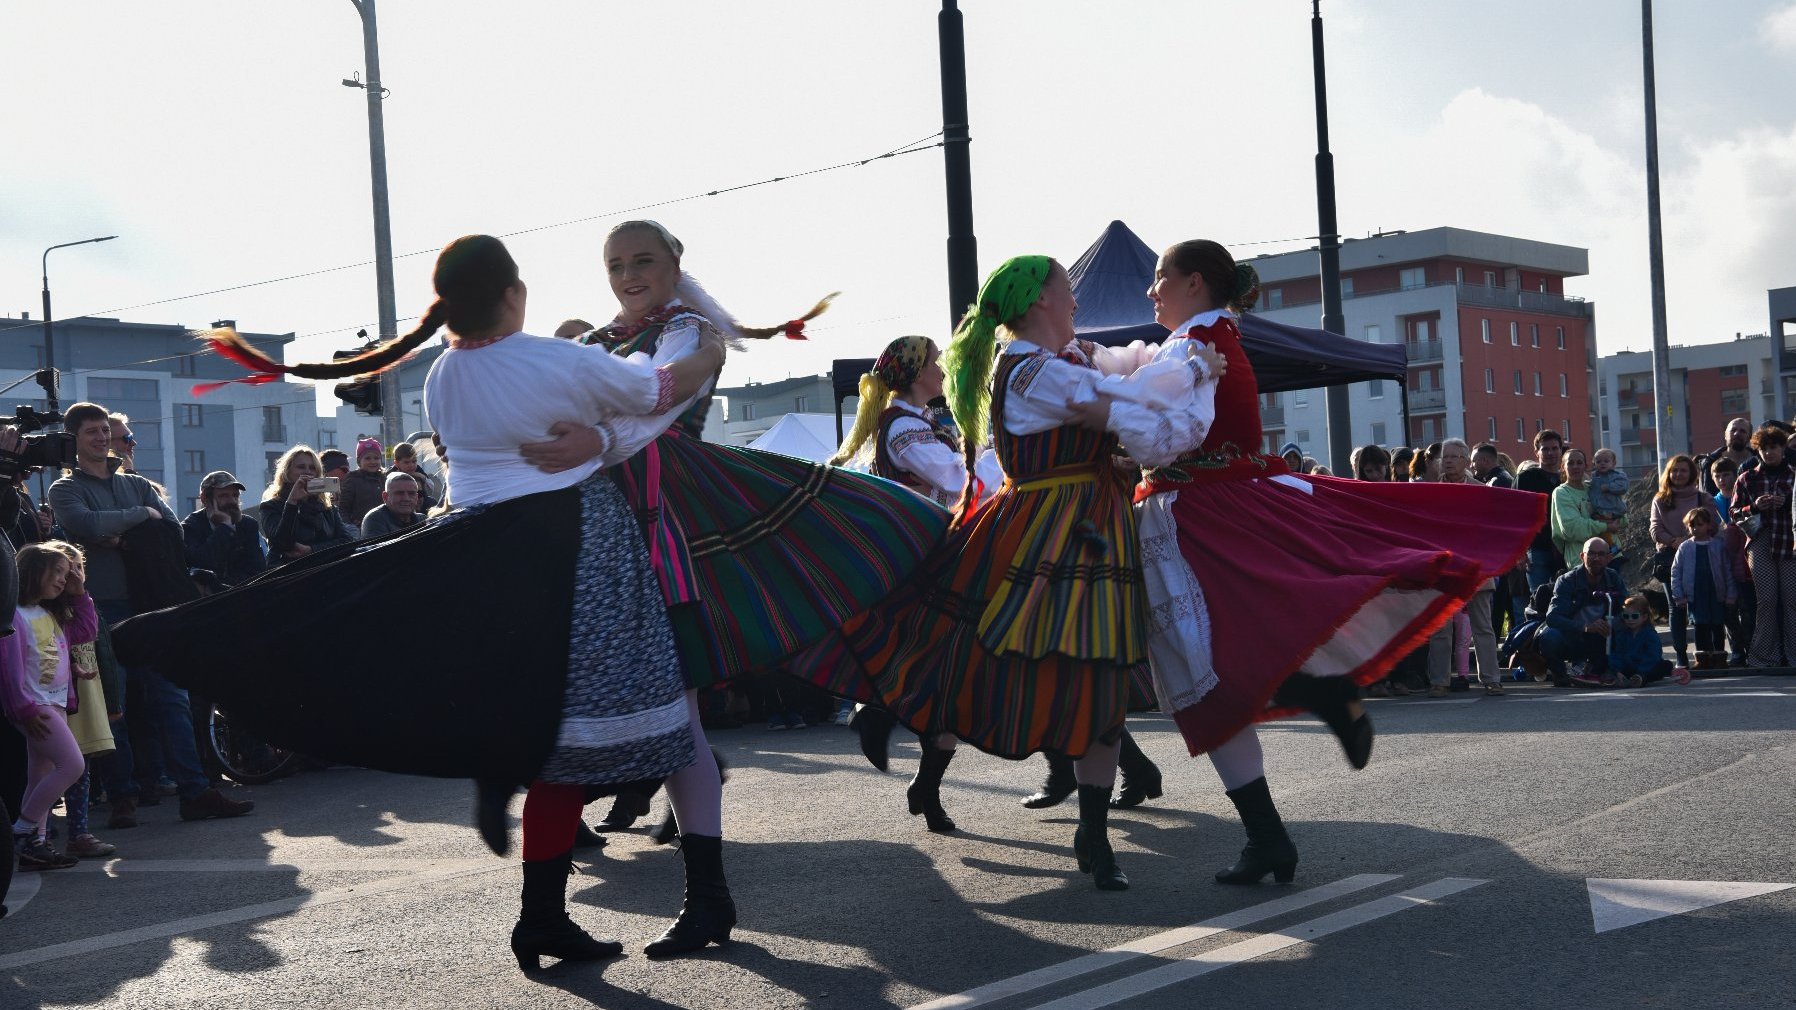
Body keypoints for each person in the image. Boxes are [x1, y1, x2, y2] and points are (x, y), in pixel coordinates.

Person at [113, 234, 743, 969]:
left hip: (528, 552)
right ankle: (679, 896)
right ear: (513, 295)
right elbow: (656, 395)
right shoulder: (564, 353)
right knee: (642, 729)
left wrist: (604, 431)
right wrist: (678, 374)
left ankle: (564, 912)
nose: (628, 277)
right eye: (617, 265)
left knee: (564, 741)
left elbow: (630, 413)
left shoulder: (449, 369)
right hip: (579, 553)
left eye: (640, 263)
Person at [795, 254, 1224, 891]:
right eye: (1064, 286)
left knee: (1101, 677)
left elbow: (1123, 368)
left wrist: (1176, 351)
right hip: (1044, 530)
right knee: (993, 661)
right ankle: (902, 718)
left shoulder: (1067, 357)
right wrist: (1191, 364)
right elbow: (1114, 398)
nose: (1074, 296)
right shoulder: (1027, 370)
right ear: (1035, 302)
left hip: (1093, 524)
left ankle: (1093, 832)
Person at [1128, 242, 1544, 883]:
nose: (1151, 291)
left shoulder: (1193, 346)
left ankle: (1269, 825)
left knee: (1208, 673)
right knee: (1227, 663)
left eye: (1160, 279)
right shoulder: (1204, 337)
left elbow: (1162, 435)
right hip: (1211, 511)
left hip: (1202, 518)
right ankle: (1282, 791)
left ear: (1193, 282)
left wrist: (1098, 412)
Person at [49, 402, 251, 828]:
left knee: (172, 700)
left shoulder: (137, 483)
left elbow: (171, 532)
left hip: (150, 604)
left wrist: (122, 535)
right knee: (113, 705)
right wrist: (143, 516)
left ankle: (195, 792)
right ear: (75, 439)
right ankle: (123, 796)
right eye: (92, 432)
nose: (102, 437)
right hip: (101, 608)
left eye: (105, 430)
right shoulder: (64, 490)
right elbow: (85, 524)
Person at [3, 543, 98, 870]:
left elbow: (87, 632)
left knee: (39, 775)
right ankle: (23, 829)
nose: (62, 579)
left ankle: (35, 846)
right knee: (72, 766)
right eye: (56, 572)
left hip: (55, 701)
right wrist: (22, 707)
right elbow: (10, 667)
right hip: (34, 706)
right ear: (32, 572)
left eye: (65, 572)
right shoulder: (14, 615)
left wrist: (79, 590)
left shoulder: (49, 612)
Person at [1440, 439, 1504, 694]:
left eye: (1454, 456)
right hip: (1443, 568)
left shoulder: (1482, 491)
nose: (1448, 461)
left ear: (1467, 462)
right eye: (1445, 456)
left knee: (1483, 627)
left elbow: (1492, 530)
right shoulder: (1429, 491)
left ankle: (1491, 678)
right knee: (1440, 629)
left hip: (1476, 567)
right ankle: (1439, 681)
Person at [1730, 424, 1796, 668]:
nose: (1769, 453)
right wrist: (1755, 507)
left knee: (1792, 599)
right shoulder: (1747, 478)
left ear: (1782, 449)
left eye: (1774, 447)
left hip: (1790, 541)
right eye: (1764, 448)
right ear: (1758, 451)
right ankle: (1764, 657)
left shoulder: (1793, 476)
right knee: (1766, 600)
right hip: (1761, 541)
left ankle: (1793, 655)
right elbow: (1734, 513)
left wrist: (1787, 502)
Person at [1649, 454, 1720, 669]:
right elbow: (1655, 529)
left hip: (1702, 555)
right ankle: (1681, 655)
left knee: (1704, 606)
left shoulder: (1703, 498)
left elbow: (1714, 524)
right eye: (1674, 470)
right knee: (1676, 606)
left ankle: (1708, 654)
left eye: (1683, 470)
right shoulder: (1661, 499)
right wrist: (1674, 541)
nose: (1678, 474)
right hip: (1671, 557)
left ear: (1691, 473)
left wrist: (1692, 539)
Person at [1538, 538, 1629, 686]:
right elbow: (1552, 618)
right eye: (1591, 553)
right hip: (1573, 636)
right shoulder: (1566, 581)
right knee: (1549, 636)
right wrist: (1585, 626)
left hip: (1602, 637)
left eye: (1601, 554)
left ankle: (1612, 669)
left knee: (1632, 626)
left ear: (1608, 558)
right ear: (1582, 556)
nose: (1596, 558)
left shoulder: (1613, 578)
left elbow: (1627, 608)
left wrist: (1611, 623)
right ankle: (1561, 674)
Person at [258, 447, 356, 566]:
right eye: (301, 467)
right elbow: (282, 543)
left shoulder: (326, 506)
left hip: (324, 570)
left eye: (313, 468)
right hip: (289, 573)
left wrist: (311, 550)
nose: (308, 472)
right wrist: (292, 502)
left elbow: (347, 542)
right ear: (287, 471)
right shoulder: (270, 506)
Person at [1671, 508, 1736, 673]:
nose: (1695, 528)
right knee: (1700, 626)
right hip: (1696, 594)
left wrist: (1730, 594)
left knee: (1717, 625)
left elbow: (1727, 570)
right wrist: (1678, 595)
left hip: (1716, 592)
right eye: (1692, 525)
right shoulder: (1685, 547)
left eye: (1699, 524)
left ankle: (1719, 657)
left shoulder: (1718, 545)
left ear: (1708, 525)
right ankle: (1703, 658)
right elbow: (1676, 572)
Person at [181, 471, 268, 587]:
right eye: (224, 496)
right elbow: (203, 564)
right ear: (205, 499)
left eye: (235, 495)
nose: (232, 501)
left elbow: (258, 570)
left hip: (243, 594)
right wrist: (225, 528)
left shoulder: (248, 524)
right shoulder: (191, 527)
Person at [1551, 448, 1616, 572]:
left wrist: (1617, 520)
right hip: (1581, 561)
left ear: (1586, 466)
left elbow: (1622, 517)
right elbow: (1572, 528)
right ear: (1563, 467)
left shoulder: (1594, 488)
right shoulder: (1561, 493)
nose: (1575, 467)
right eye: (1570, 463)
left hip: (1611, 557)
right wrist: (1605, 526)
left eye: (1579, 463)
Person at [1517, 430, 1566, 591]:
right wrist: (1520, 552)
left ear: (1561, 450)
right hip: (1537, 548)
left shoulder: (1568, 478)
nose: (1550, 453)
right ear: (1536, 452)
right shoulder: (1526, 478)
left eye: (1554, 448)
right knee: (1540, 599)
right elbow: (1515, 516)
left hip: (1567, 548)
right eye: (1545, 449)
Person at [1609, 594, 1676, 688]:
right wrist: (1617, 670)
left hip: (1646, 667)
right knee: (1611, 661)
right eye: (1626, 616)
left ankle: (1641, 678)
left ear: (1644, 617)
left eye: (1634, 616)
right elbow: (1618, 653)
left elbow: (1653, 655)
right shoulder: (1622, 634)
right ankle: (1619, 676)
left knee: (1666, 665)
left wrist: (1642, 670)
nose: (1630, 619)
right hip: (1630, 667)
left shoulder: (1650, 634)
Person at [337, 438, 387, 528]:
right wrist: (350, 526)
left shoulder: (384, 478)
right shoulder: (352, 479)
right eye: (367, 458)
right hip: (360, 528)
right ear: (359, 461)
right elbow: (343, 508)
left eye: (376, 458)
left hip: (383, 526)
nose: (372, 461)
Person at [1700, 417, 1757, 495]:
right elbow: (1705, 495)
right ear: (1725, 435)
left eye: (1742, 431)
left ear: (1749, 437)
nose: (1737, 434)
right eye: (1733, 430)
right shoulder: (1709, 462)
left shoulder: (1759, 461)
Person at [359, 471, 426, 538]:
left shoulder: (422, 520)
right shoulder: (375, 519)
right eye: (399, 493)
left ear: (417, 497)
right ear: (385, 497)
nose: (406, 498)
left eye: (411, 493)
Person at [1586, 448, 1631, 536]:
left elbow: (1623, 486)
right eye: (1598, 462)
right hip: (1598, 510)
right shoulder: (1593, 476)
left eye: (1606, 461)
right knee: (1601, 530)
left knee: (1609, 531)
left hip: (1612, 508)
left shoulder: (1617, 475)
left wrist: (1609, 487)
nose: (1602, 463)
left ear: (1613, 463)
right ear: (1594, 463)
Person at [389, 442, 438, 510]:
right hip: (400, 504)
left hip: (420, 503)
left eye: (414, 461)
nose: (411, 465)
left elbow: (431, 488)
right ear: (396, 463)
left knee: (432, 502)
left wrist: (422, 477)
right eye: (406, 462)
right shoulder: (391, 474)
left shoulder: (418, 470)